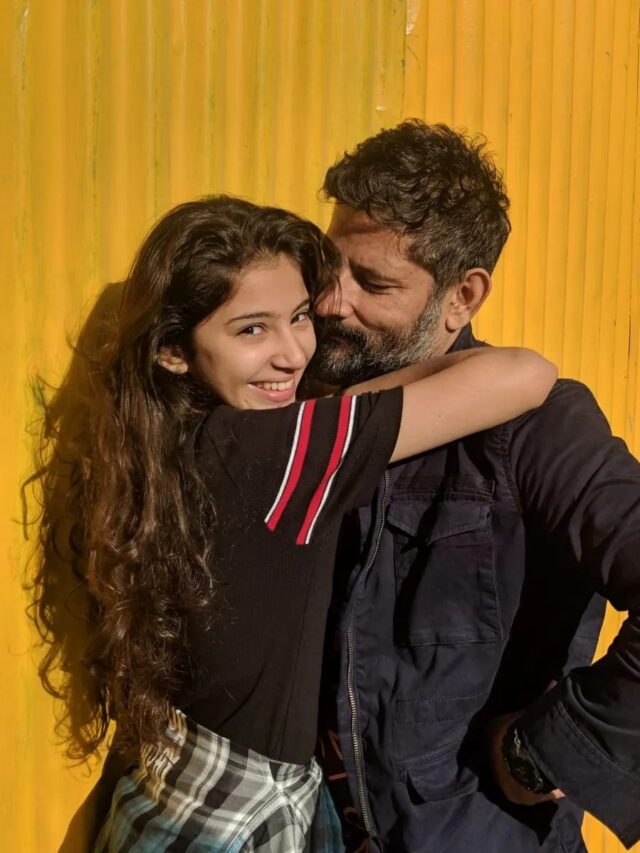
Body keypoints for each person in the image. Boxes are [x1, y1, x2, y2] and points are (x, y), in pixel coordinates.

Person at [26, 195, 555, 853]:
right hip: (236, 820)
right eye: (252, 329)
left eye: (300, 316)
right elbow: (526, 373)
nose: (292, 353)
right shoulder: (275, 453)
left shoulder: (156, 441)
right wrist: (354, 400)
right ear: (173, 350)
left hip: (169, 786)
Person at [311, 120, 640, 853]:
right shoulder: (306, 407)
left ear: (462, 297)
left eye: (373, 282)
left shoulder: (535, 429)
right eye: (327, 269)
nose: (333, 303)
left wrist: (539, 753)